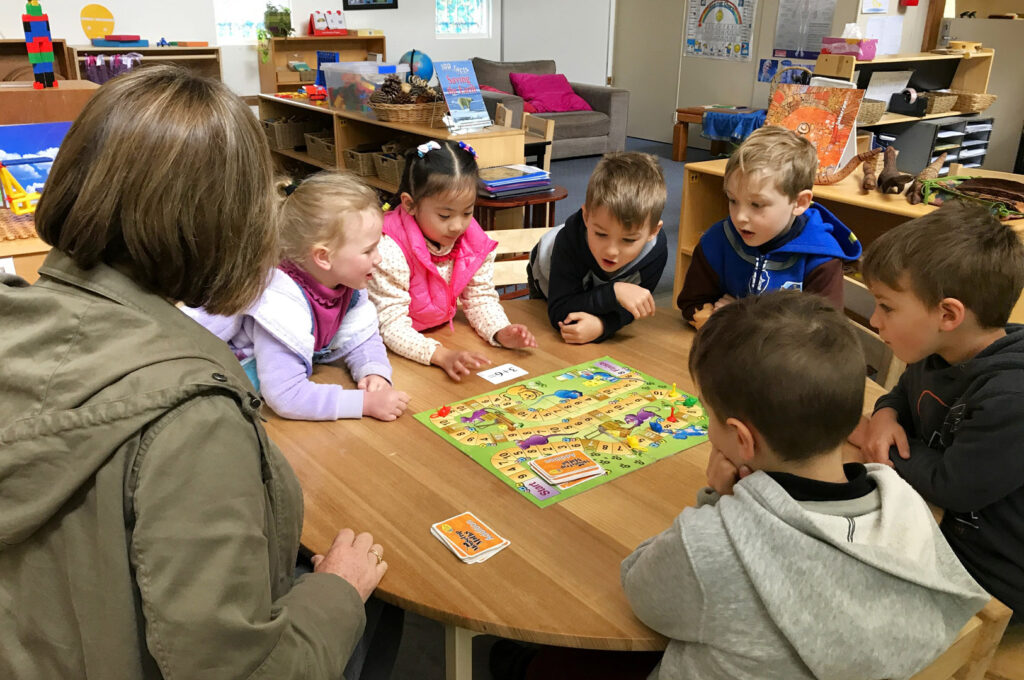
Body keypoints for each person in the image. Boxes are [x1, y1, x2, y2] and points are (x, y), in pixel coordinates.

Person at [0, 66, 390, 679]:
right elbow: (238, 669)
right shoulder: (192, 418)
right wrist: (338, 593)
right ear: (227, 223)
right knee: (378, 615)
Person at [621, 291, 989, 680]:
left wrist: (717, 500)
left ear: (742, 438)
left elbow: (640, 589)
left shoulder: (709, 544)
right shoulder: (906, 503)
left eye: (708, 414)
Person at [859, 201, 1024, 621]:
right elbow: (903, 394)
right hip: (931, 527)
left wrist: (875, 443)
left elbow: (952, 485)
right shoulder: (936, 351)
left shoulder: (1011, 396)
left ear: (948, 314)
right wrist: (884, 415)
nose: (875, 320)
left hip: (992, 579)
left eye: (887, 306)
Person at [184, 172, 410, 422]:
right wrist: (362, 403)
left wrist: (374, 371)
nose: (378, 258)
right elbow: (286, 396)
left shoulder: (348, 287)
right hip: (221, 385)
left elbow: (363, 337)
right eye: (368, 250)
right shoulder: (281, 302)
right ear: (323, 257)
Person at [367, 139, 536, 382]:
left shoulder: (473, 241)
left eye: (468, 212)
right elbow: (391, 325)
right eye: (445, 215)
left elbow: (479, 298)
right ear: (410, 205)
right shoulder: (388, 249)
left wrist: (500, 331)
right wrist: (440, 355)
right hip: (388, 353)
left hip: (440, 338)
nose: (458, 225)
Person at [676, 125, 862, 329]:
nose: (739, 217)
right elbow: (691, 304)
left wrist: (742, 317)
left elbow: (825, 335)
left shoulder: (821, 260)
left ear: (799, 203)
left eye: (757, 204)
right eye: (732, 200)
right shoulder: (717, 240)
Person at [527, 151, 668, 344]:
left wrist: (603, 326)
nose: (611, 250)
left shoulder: (656, 252)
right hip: (546, 276)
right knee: (547, 338)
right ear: (586, 217)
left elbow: (634, 308)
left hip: (595, 286)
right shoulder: (568, 242)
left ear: (653, 231)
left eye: (628, 240)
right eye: (601, 234)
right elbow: (560, 311)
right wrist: (614, 292)